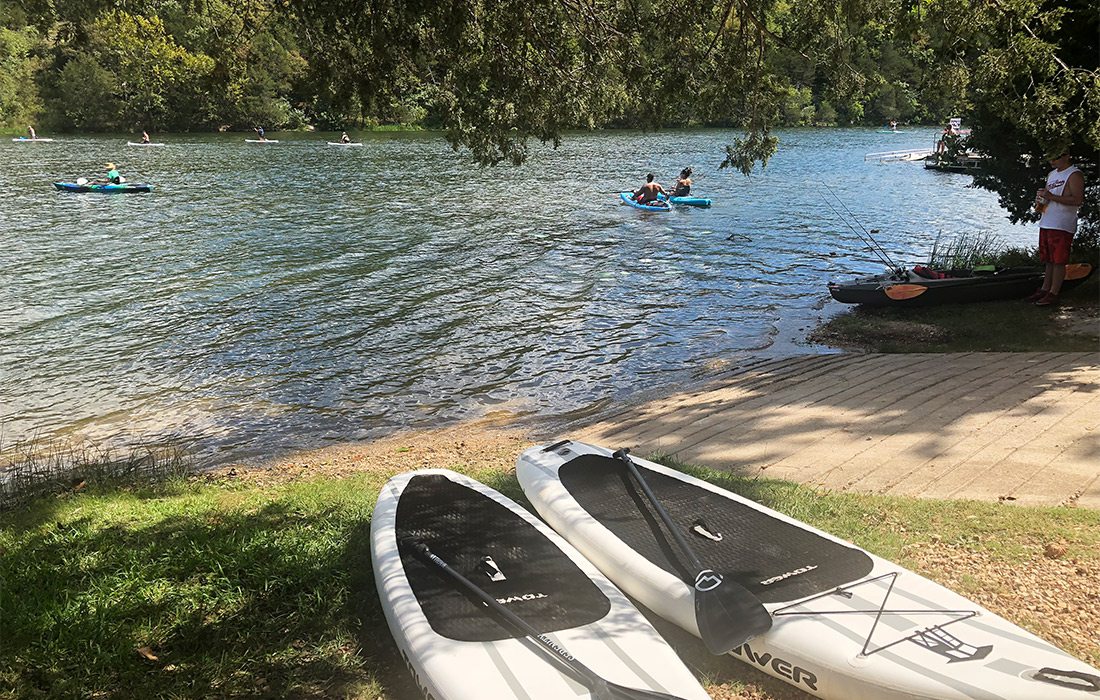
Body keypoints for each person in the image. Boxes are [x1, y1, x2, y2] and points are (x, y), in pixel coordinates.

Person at [1028, 150, 1084, 306]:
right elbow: (1048, 197)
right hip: (1047, 221)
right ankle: (1045, 289)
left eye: (1056, 157)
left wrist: (1052, 197)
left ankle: (1054, 293)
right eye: (1050, 157)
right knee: (1049, 259)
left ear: (1066, 156)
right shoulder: (1052, 174)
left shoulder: (1074, 174)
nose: (1052, 160)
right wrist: (1041, 201)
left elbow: (1078, 199)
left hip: (1062, 223)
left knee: (1059, 260)